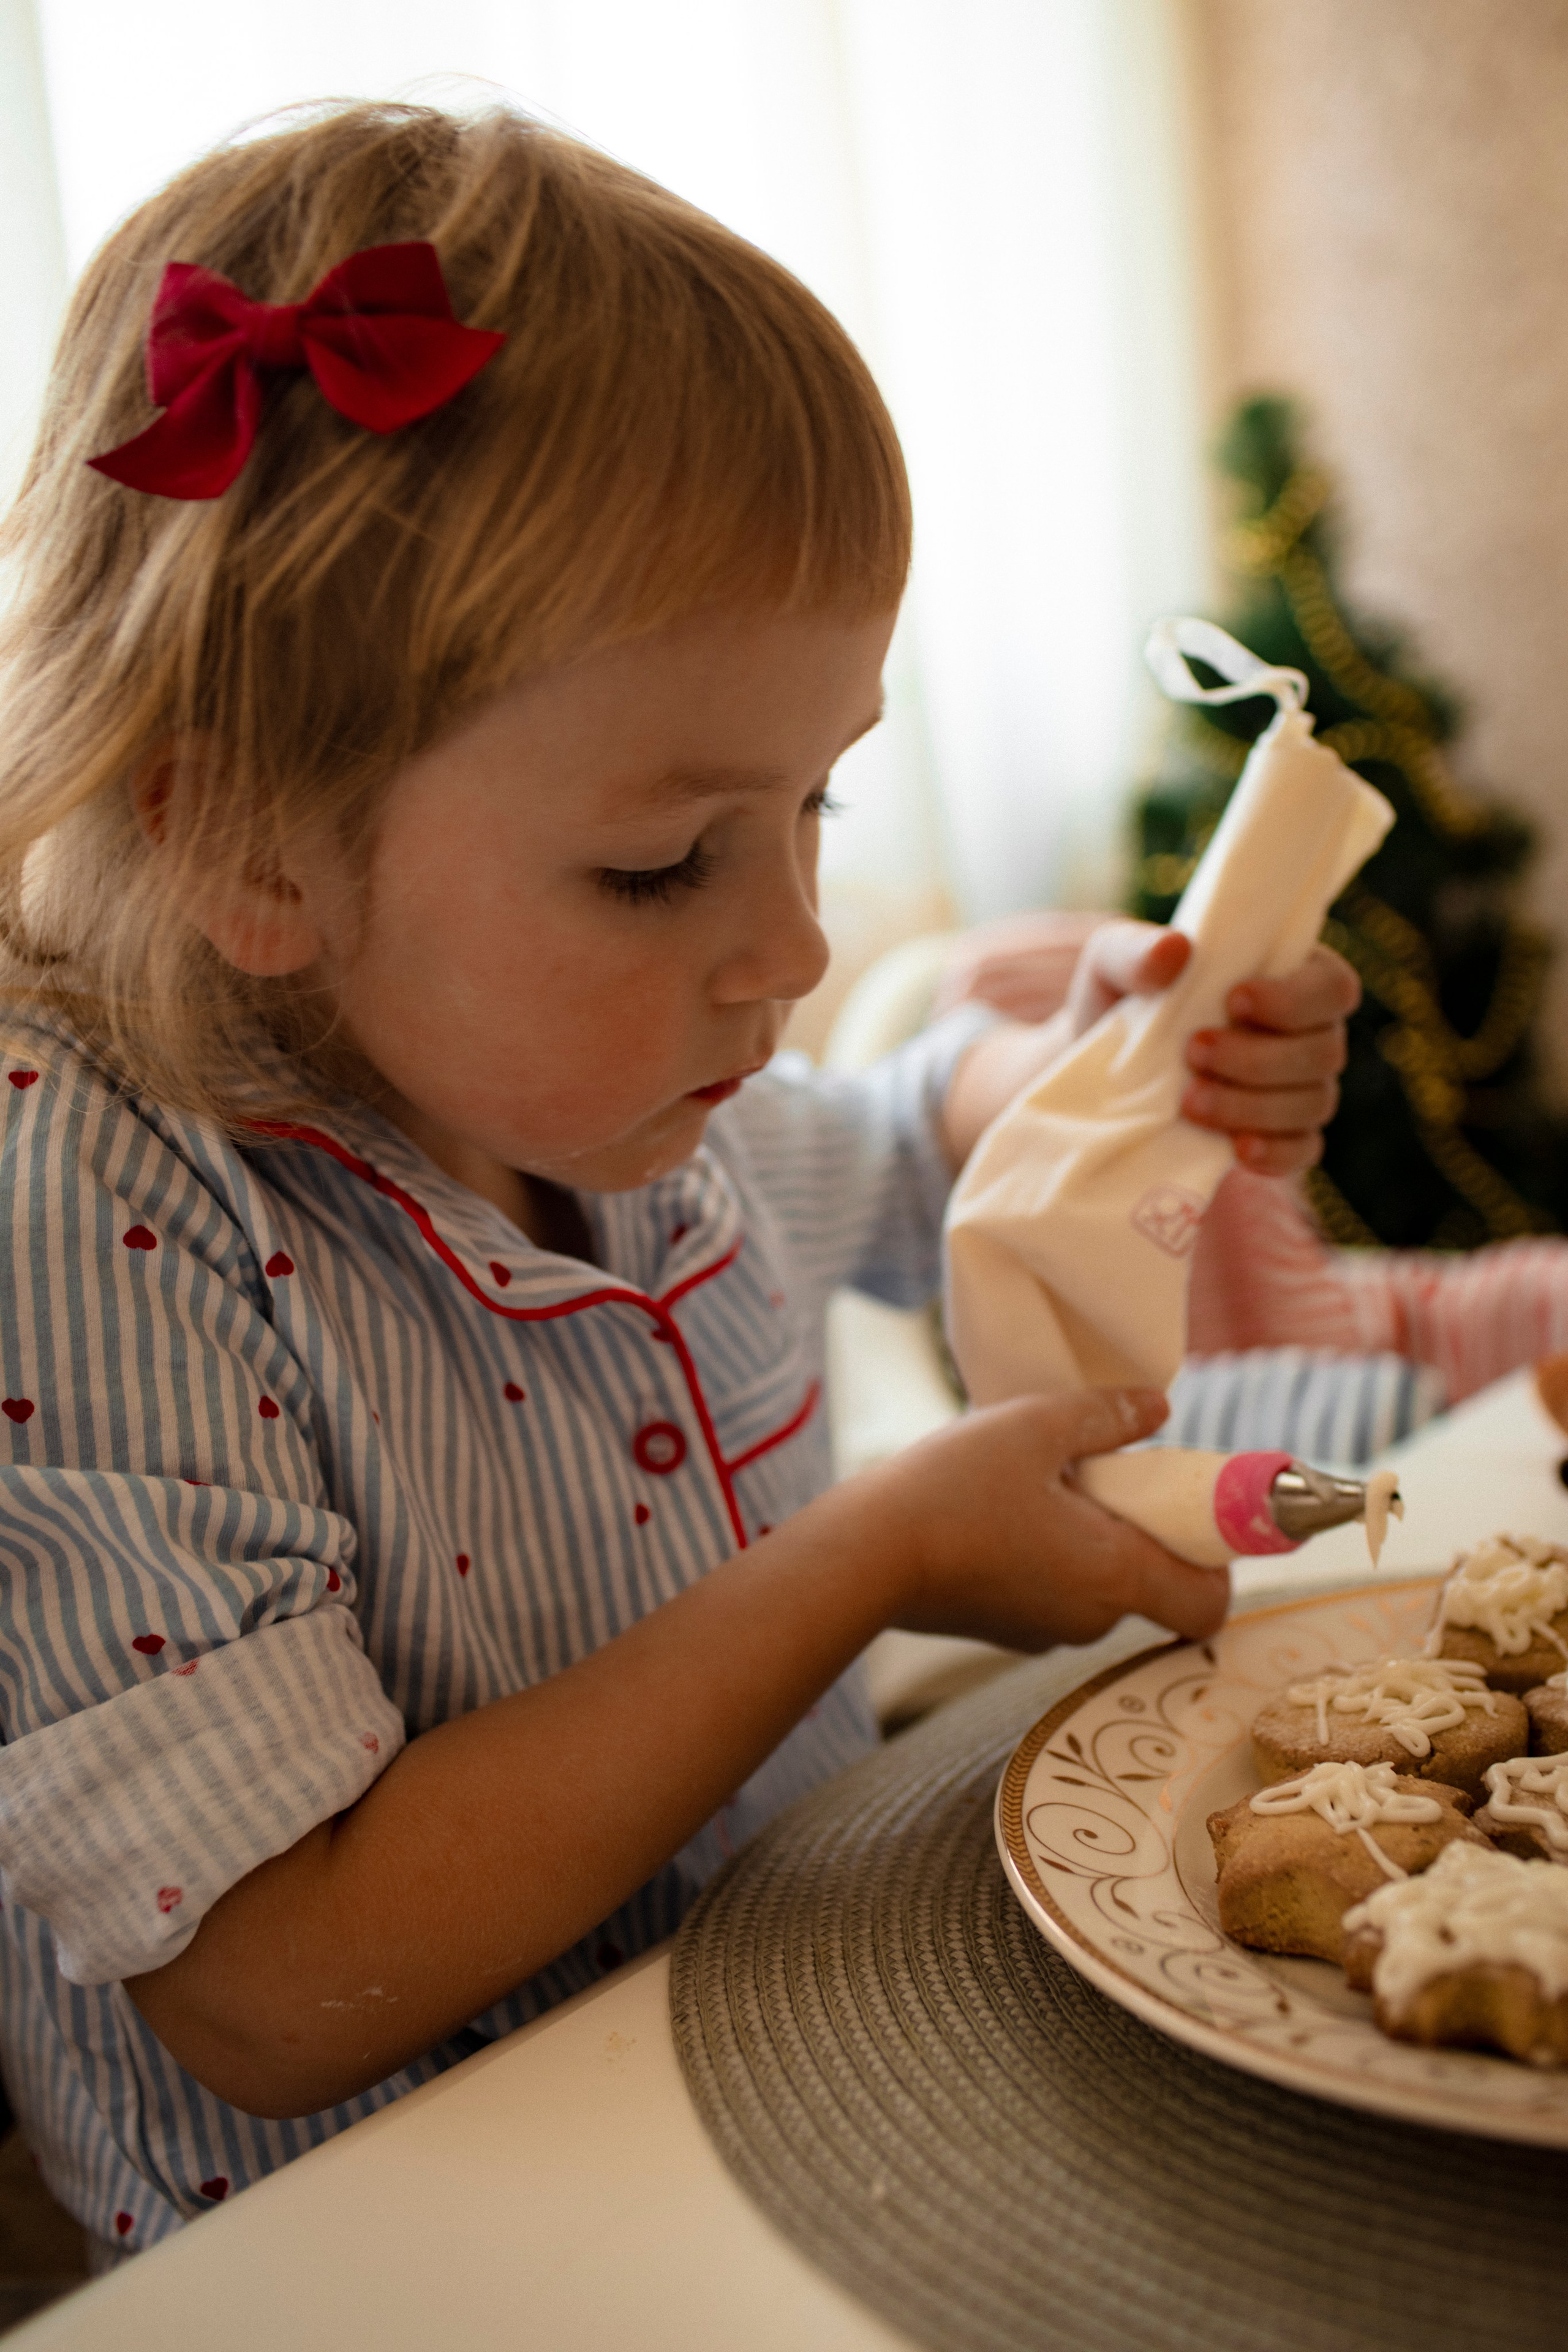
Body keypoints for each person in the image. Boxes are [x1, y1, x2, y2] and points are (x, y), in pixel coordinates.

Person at [0, 100, 1356, 2258]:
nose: (795, 948)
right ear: (250, 839)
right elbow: (268, 1984)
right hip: (403, 2249)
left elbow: (895, 1149)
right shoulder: (97, 1216)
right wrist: (864, 1560)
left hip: (805, 2054)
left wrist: (1097, 1066)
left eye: (818, 806)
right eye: (662, 864)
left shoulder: (608, 1090)